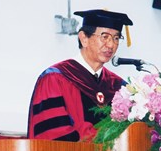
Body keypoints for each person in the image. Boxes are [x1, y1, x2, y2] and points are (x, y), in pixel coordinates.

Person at [27, 9, 133, 141]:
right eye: (105, 37)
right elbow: (53, 135)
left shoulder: (119, 87)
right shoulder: (55, 78)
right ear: (84, 38)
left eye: (116, 38)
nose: (111, 45)